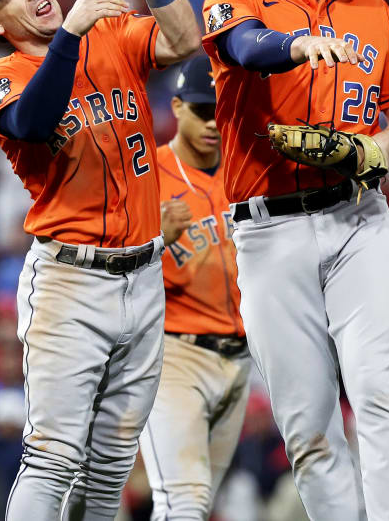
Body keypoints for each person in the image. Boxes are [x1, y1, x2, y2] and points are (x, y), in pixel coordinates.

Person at [199, 0, 389, 520]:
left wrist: (371, 152)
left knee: (382, 392)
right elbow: (244, 46)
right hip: (270, 232)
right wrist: (294, 45)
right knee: (308, 423)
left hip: (359, 219)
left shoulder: (373, 10)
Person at [0, 0, 200, 521]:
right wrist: (68, 36)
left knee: (112, 462)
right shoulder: (2, 79)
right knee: (53, 458)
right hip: (72, 282)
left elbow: (184, 41)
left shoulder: (110, 36)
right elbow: (35, 123)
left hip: (145, 275)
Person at [138, 56, 250, 519]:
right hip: (174, 358)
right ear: (178, 107)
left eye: (219, 112)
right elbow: (109, 279)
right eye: (201, 110)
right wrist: (153, 241)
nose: (211, 123)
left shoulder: (246, 172)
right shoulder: (145, 179)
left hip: (241, 361)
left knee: (197, 506)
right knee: (183, 501)